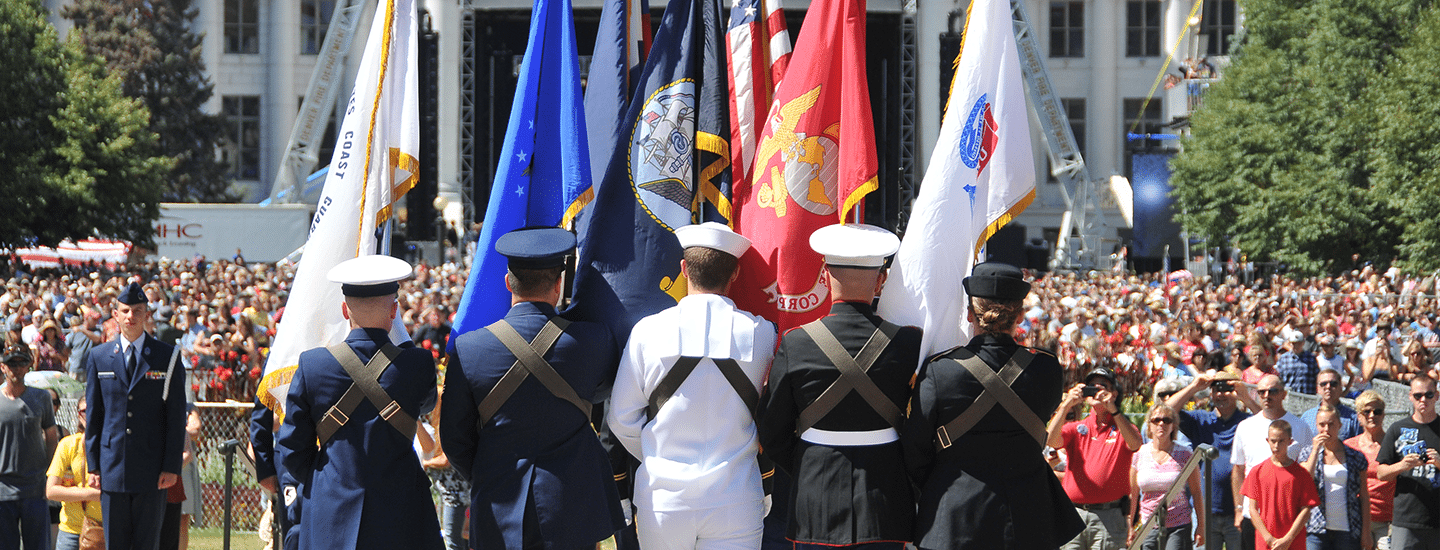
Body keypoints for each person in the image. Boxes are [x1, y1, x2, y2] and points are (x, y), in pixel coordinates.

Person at [440, 227, 624, 550]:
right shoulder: (594, 341)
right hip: (571, 506)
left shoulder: (468, 349)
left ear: (508, 282)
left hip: (498, 503)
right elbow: (602, 393)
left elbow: (455, 440)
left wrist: (491, 471)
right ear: (558, 285)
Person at [609, 222, 777, 550]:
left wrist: (659, 457)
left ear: (684, 269)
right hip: (736, 497)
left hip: (663, 500)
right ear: (735, 274)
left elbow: (621, 419)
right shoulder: (763, 334)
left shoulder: (647, 332)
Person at [758, 224, 919, 549]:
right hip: (884, 499)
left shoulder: (797, 342)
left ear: (826, 276)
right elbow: (920, 428)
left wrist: (809, 464)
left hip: (816, 496)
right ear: (881, 280)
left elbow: (772, 431)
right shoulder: (908, 342)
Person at [903, 261, 1083, 550]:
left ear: (970, 314)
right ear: (1020, 315)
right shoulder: (1046, 368)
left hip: (954, 516)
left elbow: (915, 450)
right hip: (1028, 518)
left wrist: (941, 484)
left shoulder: (941, 369)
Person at [276, 255, 443, 550]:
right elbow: (427, 405)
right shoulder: (417, 364)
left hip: (331, 513)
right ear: (394, 311)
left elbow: (292, 449)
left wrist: (329, 481)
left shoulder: (313, 365)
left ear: (344, 310)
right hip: (401, 513)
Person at [84, 282, 186, 550]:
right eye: (125, 311)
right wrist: (93, 463)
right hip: (112, 465)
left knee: (146, 543)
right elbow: (94, 415)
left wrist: (171, 466)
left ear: (147, 314)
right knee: (115, 543)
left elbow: (176, 417)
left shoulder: (168, 357)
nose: (131, 316)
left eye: (137, 310)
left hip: (152, 468)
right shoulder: (99, 357)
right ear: (115, 314)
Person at [1049, 366, 1143, 550]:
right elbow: (1051, 440)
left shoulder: (1122, 427)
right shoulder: (1077, 428)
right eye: (1091, 386)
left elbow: (1135, 444)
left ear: (1113, 394)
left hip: (1109, 516)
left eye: (1103, 386)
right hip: (1074, 514)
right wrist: (1066, 404)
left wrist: (1114, 411)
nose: (1096, 389)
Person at [1167, 370, 1261, 550]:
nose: (1220, 394)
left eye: (1227, 388)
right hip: (1205, 511)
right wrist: (1194, 387)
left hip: (1238, 510)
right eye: (1216, 389)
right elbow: (1166, 411)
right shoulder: (1200, 419)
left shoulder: (1247, 421)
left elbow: (1270, 424)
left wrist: (1247, 399)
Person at [1233, 375, 1315, 550]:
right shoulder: (1245, 427)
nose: (1266, 395)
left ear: (1284, 394)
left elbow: (1308, 469)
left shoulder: (1300, 427)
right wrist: (1239, 508)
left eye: (1273, 391)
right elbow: (1238, 469)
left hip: (1290, 518)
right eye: (1261, 392)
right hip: (1253, 515)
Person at [1, 346, 57, 550]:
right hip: (2, 490)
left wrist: (50, 474)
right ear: (3, 367)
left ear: (29, 367)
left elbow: (52, 436)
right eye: (12, 364)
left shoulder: (41, 398)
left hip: (35, 488)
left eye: (21, 363)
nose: (16, 369)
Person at [1129, 402, 1205, 550]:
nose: (1161, 424)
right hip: (1148, 525)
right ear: (1149, 425)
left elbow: (1196, 493)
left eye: (1167, 420)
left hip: (1179, 524)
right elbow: (1132, 495)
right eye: (1156, 420)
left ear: (1173, 426)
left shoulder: (1185, 454)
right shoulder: (1139, 455)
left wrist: (1201, 527)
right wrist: (1129, 526)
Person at [1376, 375, 1440, 550]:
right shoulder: (1397, 429)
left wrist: (1438, 463)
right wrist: (1403, 465)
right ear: (1410, 396)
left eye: (1429, 394)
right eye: (1418, 395)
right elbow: (1381, 472)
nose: (1423, 400)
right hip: (1406, 520)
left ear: (1437, 396)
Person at [1297, 405, 1370, 550]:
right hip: (1316, 526)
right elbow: (1306, 482)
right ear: (1316, 426)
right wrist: (1315, 450)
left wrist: (1366, 532)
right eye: (1322, 425)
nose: (1326, 429)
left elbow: (1364, 496)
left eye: (1331, 424)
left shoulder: (1355, 456)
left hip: (1348, 526)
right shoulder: (1307, 454)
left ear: (1339, 425)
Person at [1242, 420, 1320, 550]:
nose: (1276, 446)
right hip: (1266, 541)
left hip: (1293, 542)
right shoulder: (1257, 471)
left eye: (1281, 441)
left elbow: (1306, 510)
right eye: (1273, 441)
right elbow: (1253, 509)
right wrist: (1268, 538)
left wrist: (1288, 538)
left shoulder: (1301, 474)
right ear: (1267, 441)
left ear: (1290, 441)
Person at [46, 397, 101, 550]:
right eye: (84, 411)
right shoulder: (68, 444)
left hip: (102, 530)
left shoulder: (112, 446)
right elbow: (51, 491)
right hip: (70, 531)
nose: (90, 415)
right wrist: (90, 495)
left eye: (95, 410)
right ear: (78, 415)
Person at [1345, 391, 1395, 550]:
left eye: (1377, 411)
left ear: (1383, 415)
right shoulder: (1348, 446)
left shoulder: (1394, 445)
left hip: (1386, 519)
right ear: (1359, 416)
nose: (1372, 415)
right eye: (1367, 411)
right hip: (1356, 518)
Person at [1301, 369, 1362, 441]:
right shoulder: (1307, 417)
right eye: (1323, 384)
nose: (1328, 387)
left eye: (1333, 384)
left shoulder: (1354, 419)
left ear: (1340, 387)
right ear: (1317, 388)